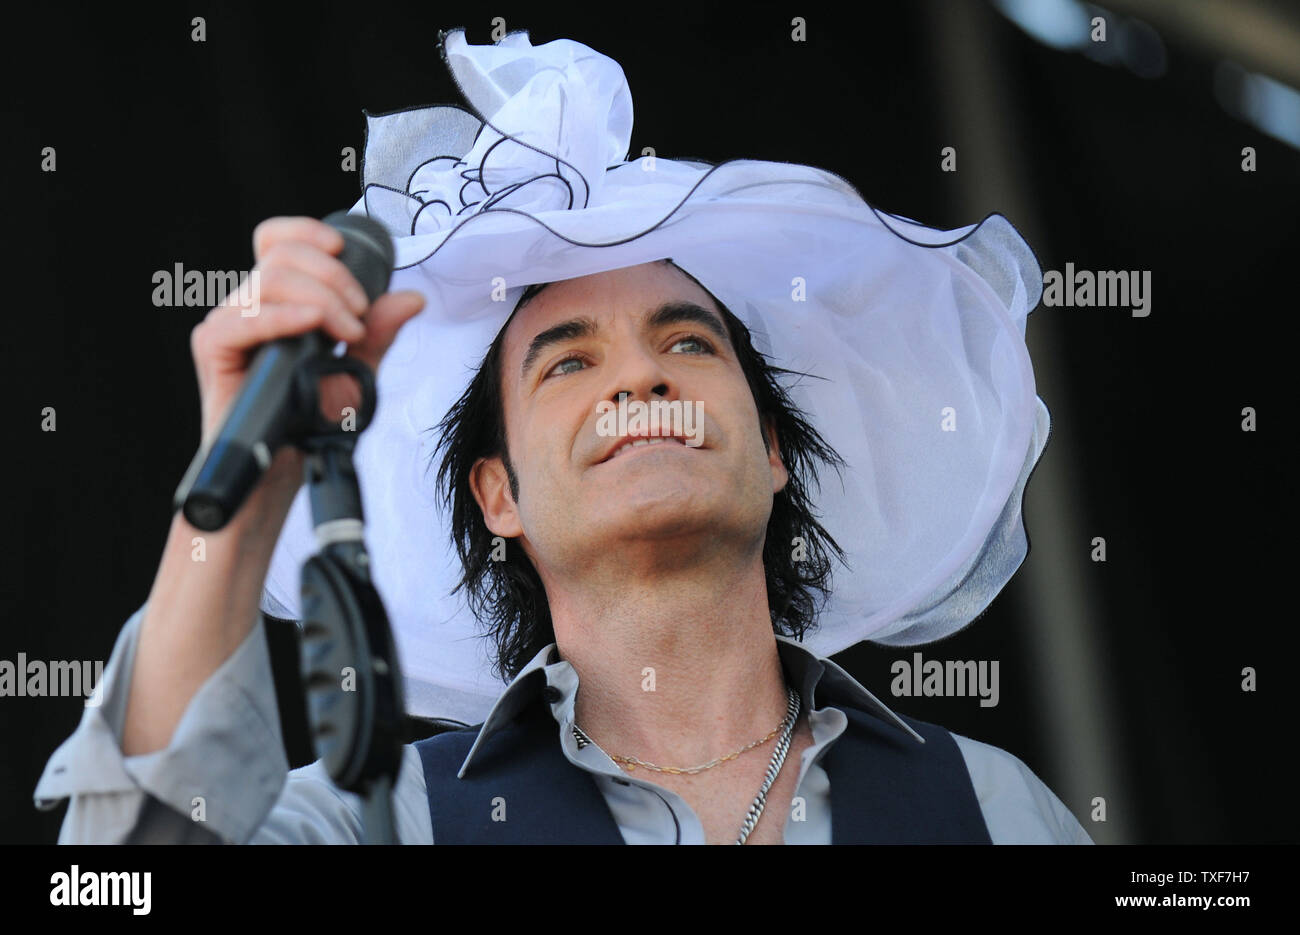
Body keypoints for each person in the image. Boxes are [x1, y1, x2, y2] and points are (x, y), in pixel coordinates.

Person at [34, 29, 1092, 844]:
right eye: (568, 360)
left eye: (686, 340)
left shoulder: (990, 804)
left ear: (772, 450)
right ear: (497, 495)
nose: (639, 371)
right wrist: (240, 492)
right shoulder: (388, 818)